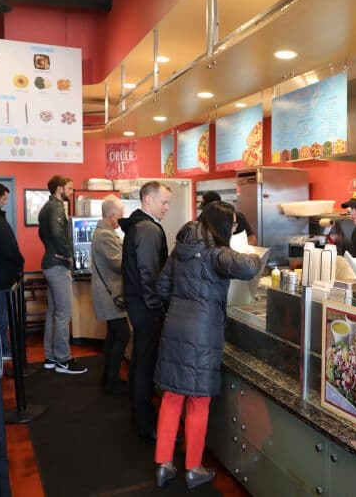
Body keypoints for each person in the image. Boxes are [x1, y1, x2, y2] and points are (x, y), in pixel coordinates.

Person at [153, 201, 261, 489]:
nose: (235, 229)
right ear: (223, 225)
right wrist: (246, 248)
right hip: (202, 331)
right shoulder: (217, 252)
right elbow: (250, 268)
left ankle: (164, 463)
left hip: (174, 325)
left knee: (172, 396)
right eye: (234, 225)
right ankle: (193, 467)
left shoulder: (182, 246)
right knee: (198, 401)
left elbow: (162, 287)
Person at [120, 181, 172, 441]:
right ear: (148, 200)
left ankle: (140, 416)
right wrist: (156, 308)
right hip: (146, 308)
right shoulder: (148, 229)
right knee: (144, 364)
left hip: (137, 305)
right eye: (164, 202)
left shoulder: (137, 226)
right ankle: (145, 421)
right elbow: (149, 274)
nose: (167, 207)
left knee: (140, 361)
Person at [38, 175, 87, 374]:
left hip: (49, 262)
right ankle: (63, 360)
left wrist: (52, 249)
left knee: (53, 313)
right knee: (63, 314)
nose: (72, 191)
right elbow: (57, 233)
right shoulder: (57, 207)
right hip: (57, 265)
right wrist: (68, 255)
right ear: (59, 188)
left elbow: (43, 234)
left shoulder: (45, 207)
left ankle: (50, 357)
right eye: (69, 187)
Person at [90, 195, 129, 394]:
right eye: (120, 216)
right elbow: (118, 263)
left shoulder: (102, 232)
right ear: (112, 216)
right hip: (109, 294)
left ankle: (109, 376)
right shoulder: (105, 235)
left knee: (114, 335)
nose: (121, 220)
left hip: (107, 293)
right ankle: (111, 379)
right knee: (122, 334)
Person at [0, 182, 24, 360]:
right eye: (4, 198)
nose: (5, 202)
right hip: (1, 277)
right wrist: (20, 262)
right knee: (0, 318)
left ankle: (1, 350)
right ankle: (2, 351)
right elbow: (9, 248)